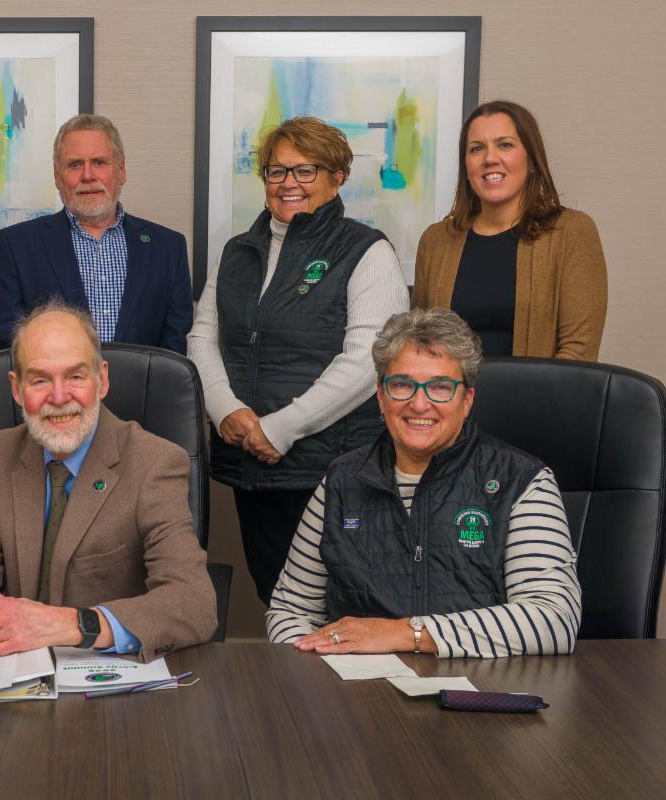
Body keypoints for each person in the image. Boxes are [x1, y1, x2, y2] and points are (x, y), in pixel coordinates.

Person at [266, 308, 581, 657]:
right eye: (402, 385)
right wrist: (314, 666)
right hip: (358, 684)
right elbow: (290, 610)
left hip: (481, 685)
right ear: (381, 397)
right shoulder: (341, 481)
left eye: (440, 387)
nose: (419, 404)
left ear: (466, 401)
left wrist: (404, 633)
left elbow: (554, 620)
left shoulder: (520, 481)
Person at [188, 116, 409, 605]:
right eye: (277, 171)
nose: (289, 183)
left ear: (337, 177)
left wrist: (280, 428)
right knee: (277, 600)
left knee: (343, 607)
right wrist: (225, 410)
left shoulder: (366, 251)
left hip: (333, 470)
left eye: (306, 170)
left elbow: (368, 360)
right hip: (251, 465)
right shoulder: (236, 252)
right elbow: (202, 339)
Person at [0, 302, 217, 662]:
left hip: (107, 676)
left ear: (102, 379)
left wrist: (73, 625)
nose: (60, 397)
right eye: (39, 380)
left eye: (76, 377)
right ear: (16, 389)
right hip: (12, 669)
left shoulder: (155, 462)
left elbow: (193, 602)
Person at [413, 100, 607, 360]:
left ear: (532, 159)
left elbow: (579, 351)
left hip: (541, 388)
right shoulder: (436, 241)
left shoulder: (572, 232)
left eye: (505, 145)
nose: (490, 159)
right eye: (476, 148)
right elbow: (418, 346)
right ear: (466, 167)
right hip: (450, 388)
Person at [0, 114, 192, 354]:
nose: (87, 176)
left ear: (121, 170)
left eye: (99, 162)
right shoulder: (16, 247)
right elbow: (8, 348)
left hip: (144, 381)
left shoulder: (168, 248)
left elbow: (175, 351)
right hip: (54, 380)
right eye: (75, 165)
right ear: (57, 176)